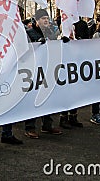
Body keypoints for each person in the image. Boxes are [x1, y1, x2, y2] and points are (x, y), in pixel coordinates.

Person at [24, 9, 62, 138]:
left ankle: (47, 125)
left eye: (47, 18)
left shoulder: (50, 33)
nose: (46, 20)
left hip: (47, 69)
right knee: (33, 99)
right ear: (37, 20)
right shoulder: (29, 33)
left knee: (47, 98)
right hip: (33, 72)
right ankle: (30, 127)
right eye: (43, 18)